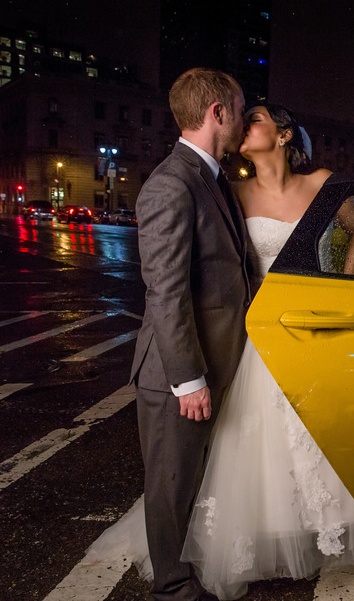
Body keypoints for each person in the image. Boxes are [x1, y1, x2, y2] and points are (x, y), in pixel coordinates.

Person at [179, 103, 354, 599]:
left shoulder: (323, 183)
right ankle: (258, 537)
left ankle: (319, 527)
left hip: (313, 326)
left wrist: (343, 285)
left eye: (256, 120)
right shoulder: (234, 192)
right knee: (258, 432)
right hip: (259, 330)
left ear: (285, 135)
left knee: (314, 427)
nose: (244, 128)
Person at [129, 67, 251, 600]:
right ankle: (173, 590)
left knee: (193, 479)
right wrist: (188, 379)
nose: (244, 121)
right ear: (218, 113)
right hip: (178, 373)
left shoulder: (212, 177)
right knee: (170, 486)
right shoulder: (171, 183)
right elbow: (166, 291)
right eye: (240, 110)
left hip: (216, 360)